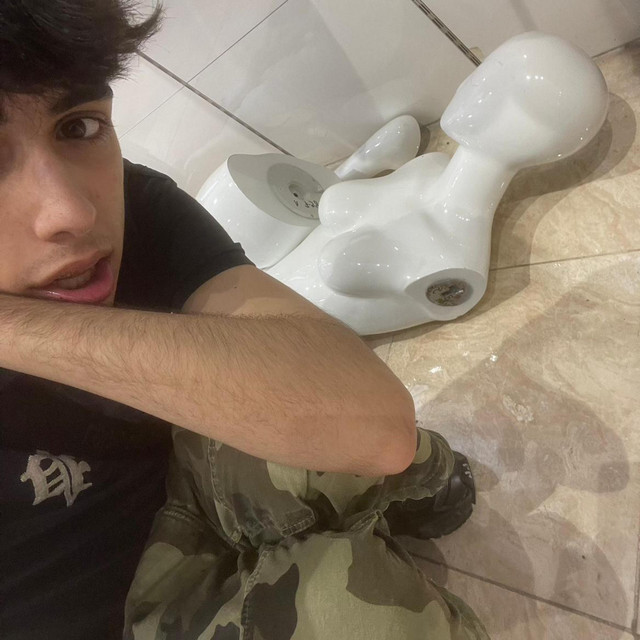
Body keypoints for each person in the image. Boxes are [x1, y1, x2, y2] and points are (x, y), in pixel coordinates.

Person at [0, 2, 489, 638]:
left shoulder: (135, 197)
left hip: (177, 486)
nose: (72, 212)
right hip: (115, 615)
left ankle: (429, 497)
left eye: (79, 126)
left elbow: (372, 421)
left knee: (301, 396)